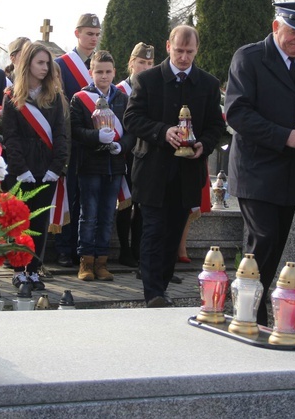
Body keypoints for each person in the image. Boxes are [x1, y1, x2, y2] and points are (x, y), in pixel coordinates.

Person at [224, 1, 295, 327]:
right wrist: (285, 136)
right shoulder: (249, 57)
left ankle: (251, 305)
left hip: (291, 172)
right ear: (275, 27)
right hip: (256, 169)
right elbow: (237, 112)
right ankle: (248, 309)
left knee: (273, 244)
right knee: (264, 238)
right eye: (293, 31)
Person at [124, 25, 226, 308]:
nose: (183, 57)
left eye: (189, 52)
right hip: (153, 171)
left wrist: (203, 144)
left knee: (173, 234)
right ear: (168, 47)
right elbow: (131, 118)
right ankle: (153, 292)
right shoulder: (147, 79)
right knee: (153, 231)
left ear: (197, 50)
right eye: (179, 51)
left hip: (187, 172)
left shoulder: (207, 83)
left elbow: (217, 125)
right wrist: (162, 131)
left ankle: (163, 285)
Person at [1, 42, 69, 290]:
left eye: (47, 63)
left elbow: (62, 135)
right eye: (40, 62)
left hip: (47, 169)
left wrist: (56, 166)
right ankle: (19, 270)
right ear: (27, 63)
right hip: (21, 170)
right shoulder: (11, 97)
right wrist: (20, 168)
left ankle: (34, 269)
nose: (45, 67)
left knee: (40, 222)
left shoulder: (55, 96)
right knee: (20, 221)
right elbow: (11, 137)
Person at [70, 50, 134, 281]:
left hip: (114, 166)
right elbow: (75, 130)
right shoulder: (79, 98)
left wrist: (122, 146)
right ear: (91, 73)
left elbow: (130, 131)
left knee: (108, 215)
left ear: (114, 72)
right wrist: (95, 137)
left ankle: (102, 262)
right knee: (88, 216)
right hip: (89, 166)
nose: (104, 76)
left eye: (108, 72)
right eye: (99, 72)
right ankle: (85, 261)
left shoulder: (122, 99)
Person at [53, 13, 102, 268]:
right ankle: (64, 248)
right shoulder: (61, 64)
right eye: (88, 34)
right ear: (77, 34)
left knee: (89, 196)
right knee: (69, 195)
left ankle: (86, 249)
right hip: (70, 139)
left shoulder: (102, 64)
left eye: (96, 34)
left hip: (94, 140)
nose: (93, 39)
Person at [115, 42, 154, 268]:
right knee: (124, 204)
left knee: (141, 205)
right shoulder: (120, 91)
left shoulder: (153, 88)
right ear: (131, 63)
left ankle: (138, 250)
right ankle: (124, 249)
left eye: (150, 63)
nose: (146, 67)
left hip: (145, 154)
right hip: (125, 154)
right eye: (141, 62)